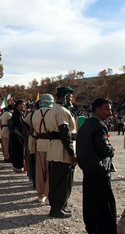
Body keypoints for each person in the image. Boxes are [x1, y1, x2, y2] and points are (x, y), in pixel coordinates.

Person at [77, 98, 117, 233]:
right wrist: (111, 150)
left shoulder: (86, 124)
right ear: (98, 108)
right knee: (104, 206)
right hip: (100, 173)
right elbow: (104, 149)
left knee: (90, 204)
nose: (110, 112)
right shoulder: (99, 125)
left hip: (88, 171)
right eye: (107, 109)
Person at [45, 86, 77, 218]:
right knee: (62, 180)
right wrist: (72, 153)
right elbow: (64, 133)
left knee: (56, 179)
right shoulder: (62, 111)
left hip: (54, 148)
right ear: (63, 97)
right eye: (69, 96)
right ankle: (57, 208)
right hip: (61, 150)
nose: (71, 99)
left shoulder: (52, 110)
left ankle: (59, 206)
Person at [32, 94, 54, 204]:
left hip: (39, 144)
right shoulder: (53, 113)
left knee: (40, 171)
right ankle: (49, 194)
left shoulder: (35, 113)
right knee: (50, 171)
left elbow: (33, 128)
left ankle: (40, 195)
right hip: (51, 144)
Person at [10, 100, 26, 173]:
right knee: (18, 150)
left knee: (17, 150)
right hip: (17, 134)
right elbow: (19, 124)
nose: (24, 106)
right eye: (23, 104)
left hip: (16, 133)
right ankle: (18, 166)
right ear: (19, 105)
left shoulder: (18, 113)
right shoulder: (17, 113)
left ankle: (17, 166)